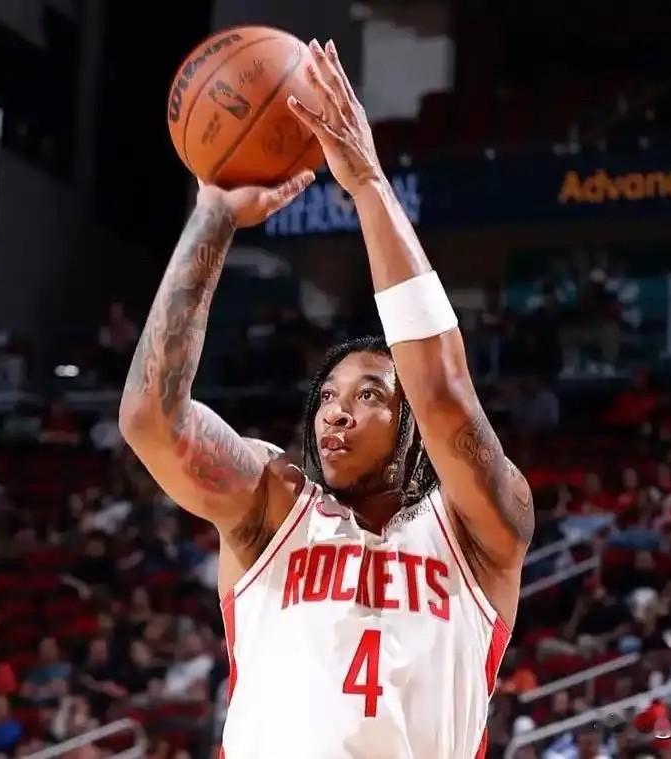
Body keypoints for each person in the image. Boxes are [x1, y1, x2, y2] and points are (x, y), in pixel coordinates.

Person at [118, 38, 532, 758]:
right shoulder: (274, 504)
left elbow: (441, 393)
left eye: (369, 394)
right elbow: (152, 420)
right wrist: (213, 215)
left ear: (410, 427)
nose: (336, 410)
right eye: (328, 396)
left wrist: (367, 182)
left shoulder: (479, 531)